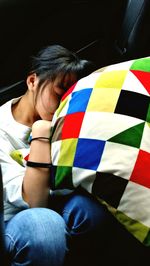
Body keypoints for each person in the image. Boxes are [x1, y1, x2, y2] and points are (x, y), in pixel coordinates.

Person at [0, 44, 111, 266]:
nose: (64, 106)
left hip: (59, 202)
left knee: (90, 209)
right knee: (44, 226)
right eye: (59, 93)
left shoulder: (69, 121)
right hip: (16, 218)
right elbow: (35, 202)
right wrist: (41, 133)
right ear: (32, 81)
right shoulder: (3, 129)